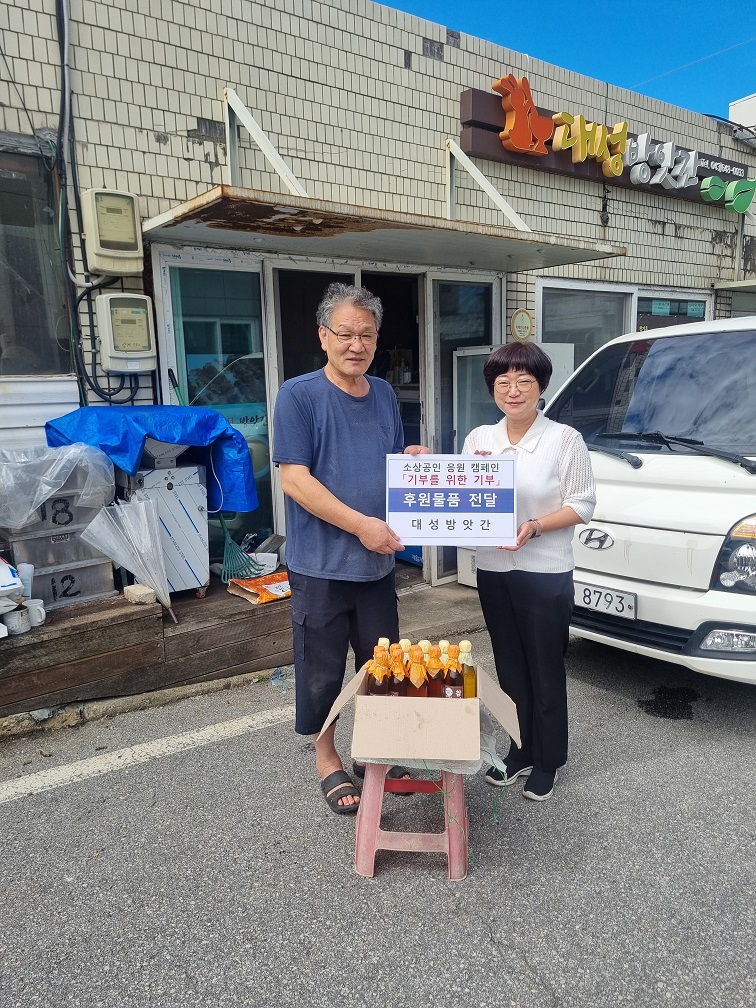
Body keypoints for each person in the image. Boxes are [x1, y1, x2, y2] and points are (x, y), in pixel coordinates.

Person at [272, 283, 427, 816]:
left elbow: (386, 462)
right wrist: (361, 524)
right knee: (320, 669)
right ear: (323, 336)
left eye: (366, 335)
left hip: (377, 562)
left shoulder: (383, 393)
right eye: (345, 333)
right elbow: (294, 479)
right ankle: (327, 758)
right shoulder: (299, 394)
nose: (356, 344)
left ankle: (375, 751)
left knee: (381, 664)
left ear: (376, 339)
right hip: (320, 564)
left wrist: (413, 462)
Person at [462, 341, 595, 801]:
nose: (513, 391)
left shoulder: (563, 439)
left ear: (541, 386)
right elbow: (458, 492)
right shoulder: (479, 439)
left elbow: (582, 504)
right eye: (503, 383)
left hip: (544, 571)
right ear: (492, 389)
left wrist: (535, 526)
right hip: (494, 568)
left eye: (524, 381)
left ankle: (548, 760)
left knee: (544, 667)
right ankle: (520, 751)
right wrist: (422, 464)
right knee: (510, 666)